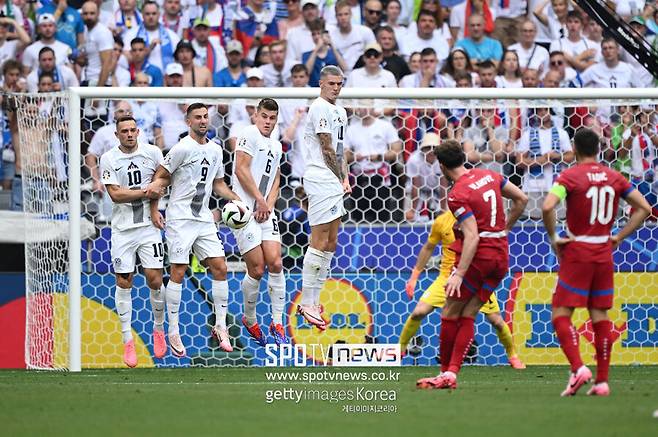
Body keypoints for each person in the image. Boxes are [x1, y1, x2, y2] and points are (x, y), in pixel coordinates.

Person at [541, 128, 651, 396]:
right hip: (603, 251)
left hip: (578, 250)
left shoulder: (568, 176)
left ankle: (579, 368)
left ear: (575, 150)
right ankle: (602, 381)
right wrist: (619, 237)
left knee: (560, 313)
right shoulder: (615, 177)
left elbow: (546, 206)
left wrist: (555, 237)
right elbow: (645, 209)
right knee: (599, 315)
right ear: (598, 150)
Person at [416, 140, 528, 390]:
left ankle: (444, 372)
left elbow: (473, 235)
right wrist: (505, 228)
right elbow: (522, 199)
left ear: (443, 166)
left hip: (480, 257)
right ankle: (452, 374)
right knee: (469, 312)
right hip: (501, 257)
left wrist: (459, 273)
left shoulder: (457, 194)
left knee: (449, 312)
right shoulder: (489, 175)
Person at [145, 103, 241, 356]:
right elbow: (160, 177)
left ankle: (221, 325)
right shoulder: (181, 149)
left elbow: (218, 183)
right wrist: (155, 209)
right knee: (178, 270)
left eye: (205, 116)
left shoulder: (216, 150)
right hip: (180, 219)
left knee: (220, 267)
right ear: (188, 122)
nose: (202, 120)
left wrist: (236, 199)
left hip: (204, 218)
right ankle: (173, 330)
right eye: (197, 117)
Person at [401, 210, 525, 370]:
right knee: (418, 312)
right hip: (446, 278)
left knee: (496, 320)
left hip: (475, 275)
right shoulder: (442, 221)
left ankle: (513, 355)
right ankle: (401, 348)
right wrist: (414, 277)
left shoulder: (478, 220)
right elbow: (428, 247)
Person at [99, 115, 167, 368]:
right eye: (123, 131)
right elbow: (115, 195)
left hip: (149, 229)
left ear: (138, 131)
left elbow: (162, 181)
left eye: (132, 130)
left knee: (155, 278)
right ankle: (128, 339)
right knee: (123, 280)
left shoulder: (153, 152)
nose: (128, 134)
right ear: (116, 135)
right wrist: (145, 192)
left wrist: (153, 206)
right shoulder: (108, 158)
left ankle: (158, 330)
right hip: (122, 230)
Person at [297, 65, 349, 329]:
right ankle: (306, 302)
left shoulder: (340, 111)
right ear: (321, 83)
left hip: (335, 180)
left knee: (331, 242)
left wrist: (346, 176)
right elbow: (326, 147)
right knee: (318, 241)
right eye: (332, 84)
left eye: (340, 84)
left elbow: (341, 149)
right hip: (320, 177)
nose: (336, 88)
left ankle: (315, 301)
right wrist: (340, 176)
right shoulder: (318, 107)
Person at [232, 98, 288, 346]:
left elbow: (276, 177)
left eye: (272, 118)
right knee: (257, 268)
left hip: (265, 210)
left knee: (276, 262)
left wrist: (270, 204)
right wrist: (258, 201)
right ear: (256, 115)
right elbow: (240, 169)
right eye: (264, 116)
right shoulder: (248, 134)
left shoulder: (276, 145)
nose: (268, 122)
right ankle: (250, 318)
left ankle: (277, 321)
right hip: (244, 210)